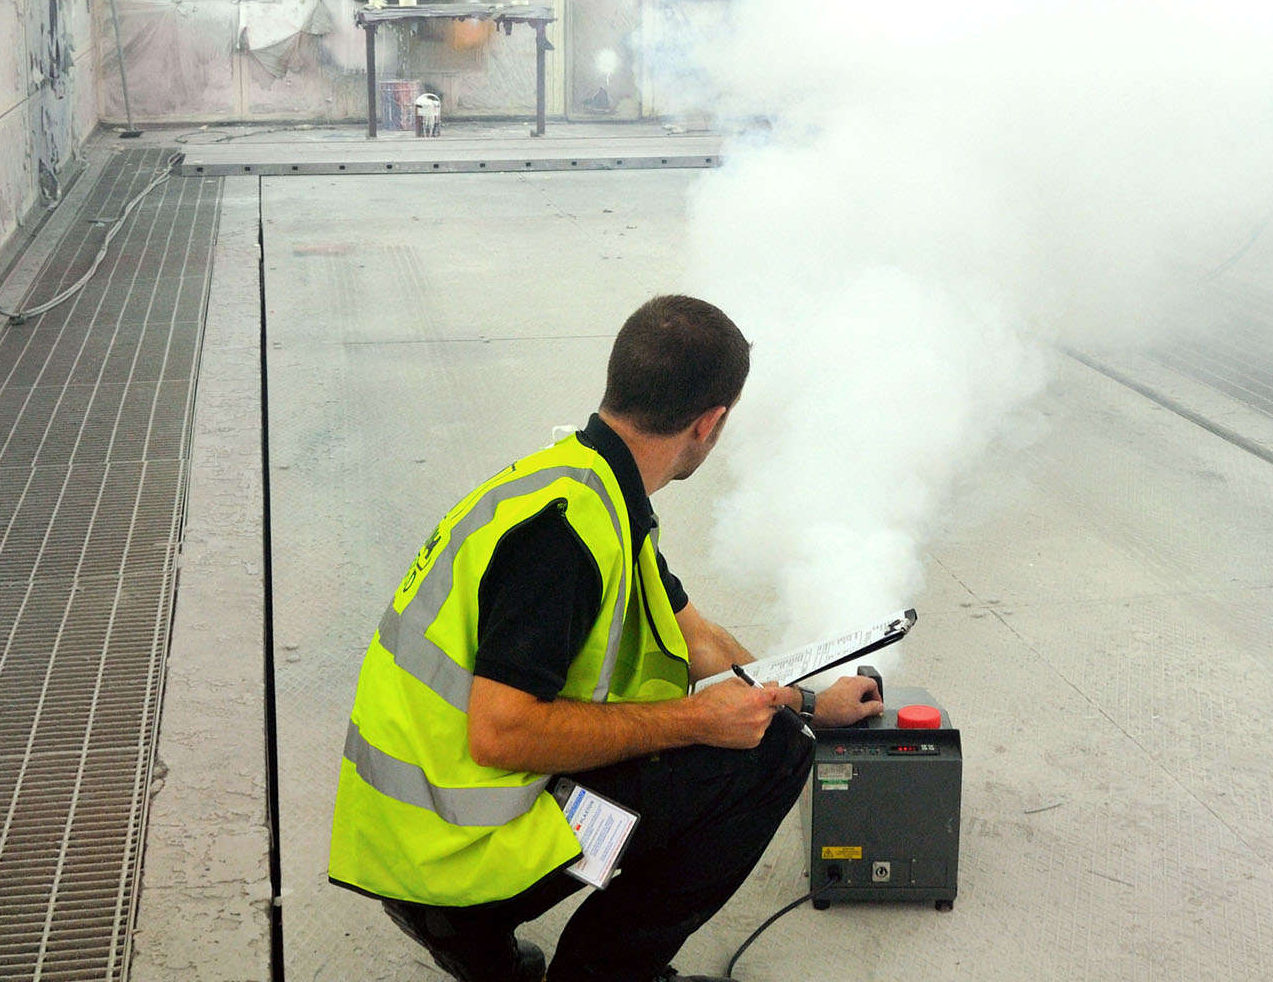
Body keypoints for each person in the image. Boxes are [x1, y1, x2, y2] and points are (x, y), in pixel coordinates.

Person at [331, 294, 885, 982]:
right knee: (766, 758)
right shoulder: (564, 538)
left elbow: (700, 642)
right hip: (448, 851)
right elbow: (499, 735)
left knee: (775, 728)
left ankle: (476, 944)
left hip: (421, 825)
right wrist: (694, 721)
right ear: (709, 422)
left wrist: (808, 702)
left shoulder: (590, 484)